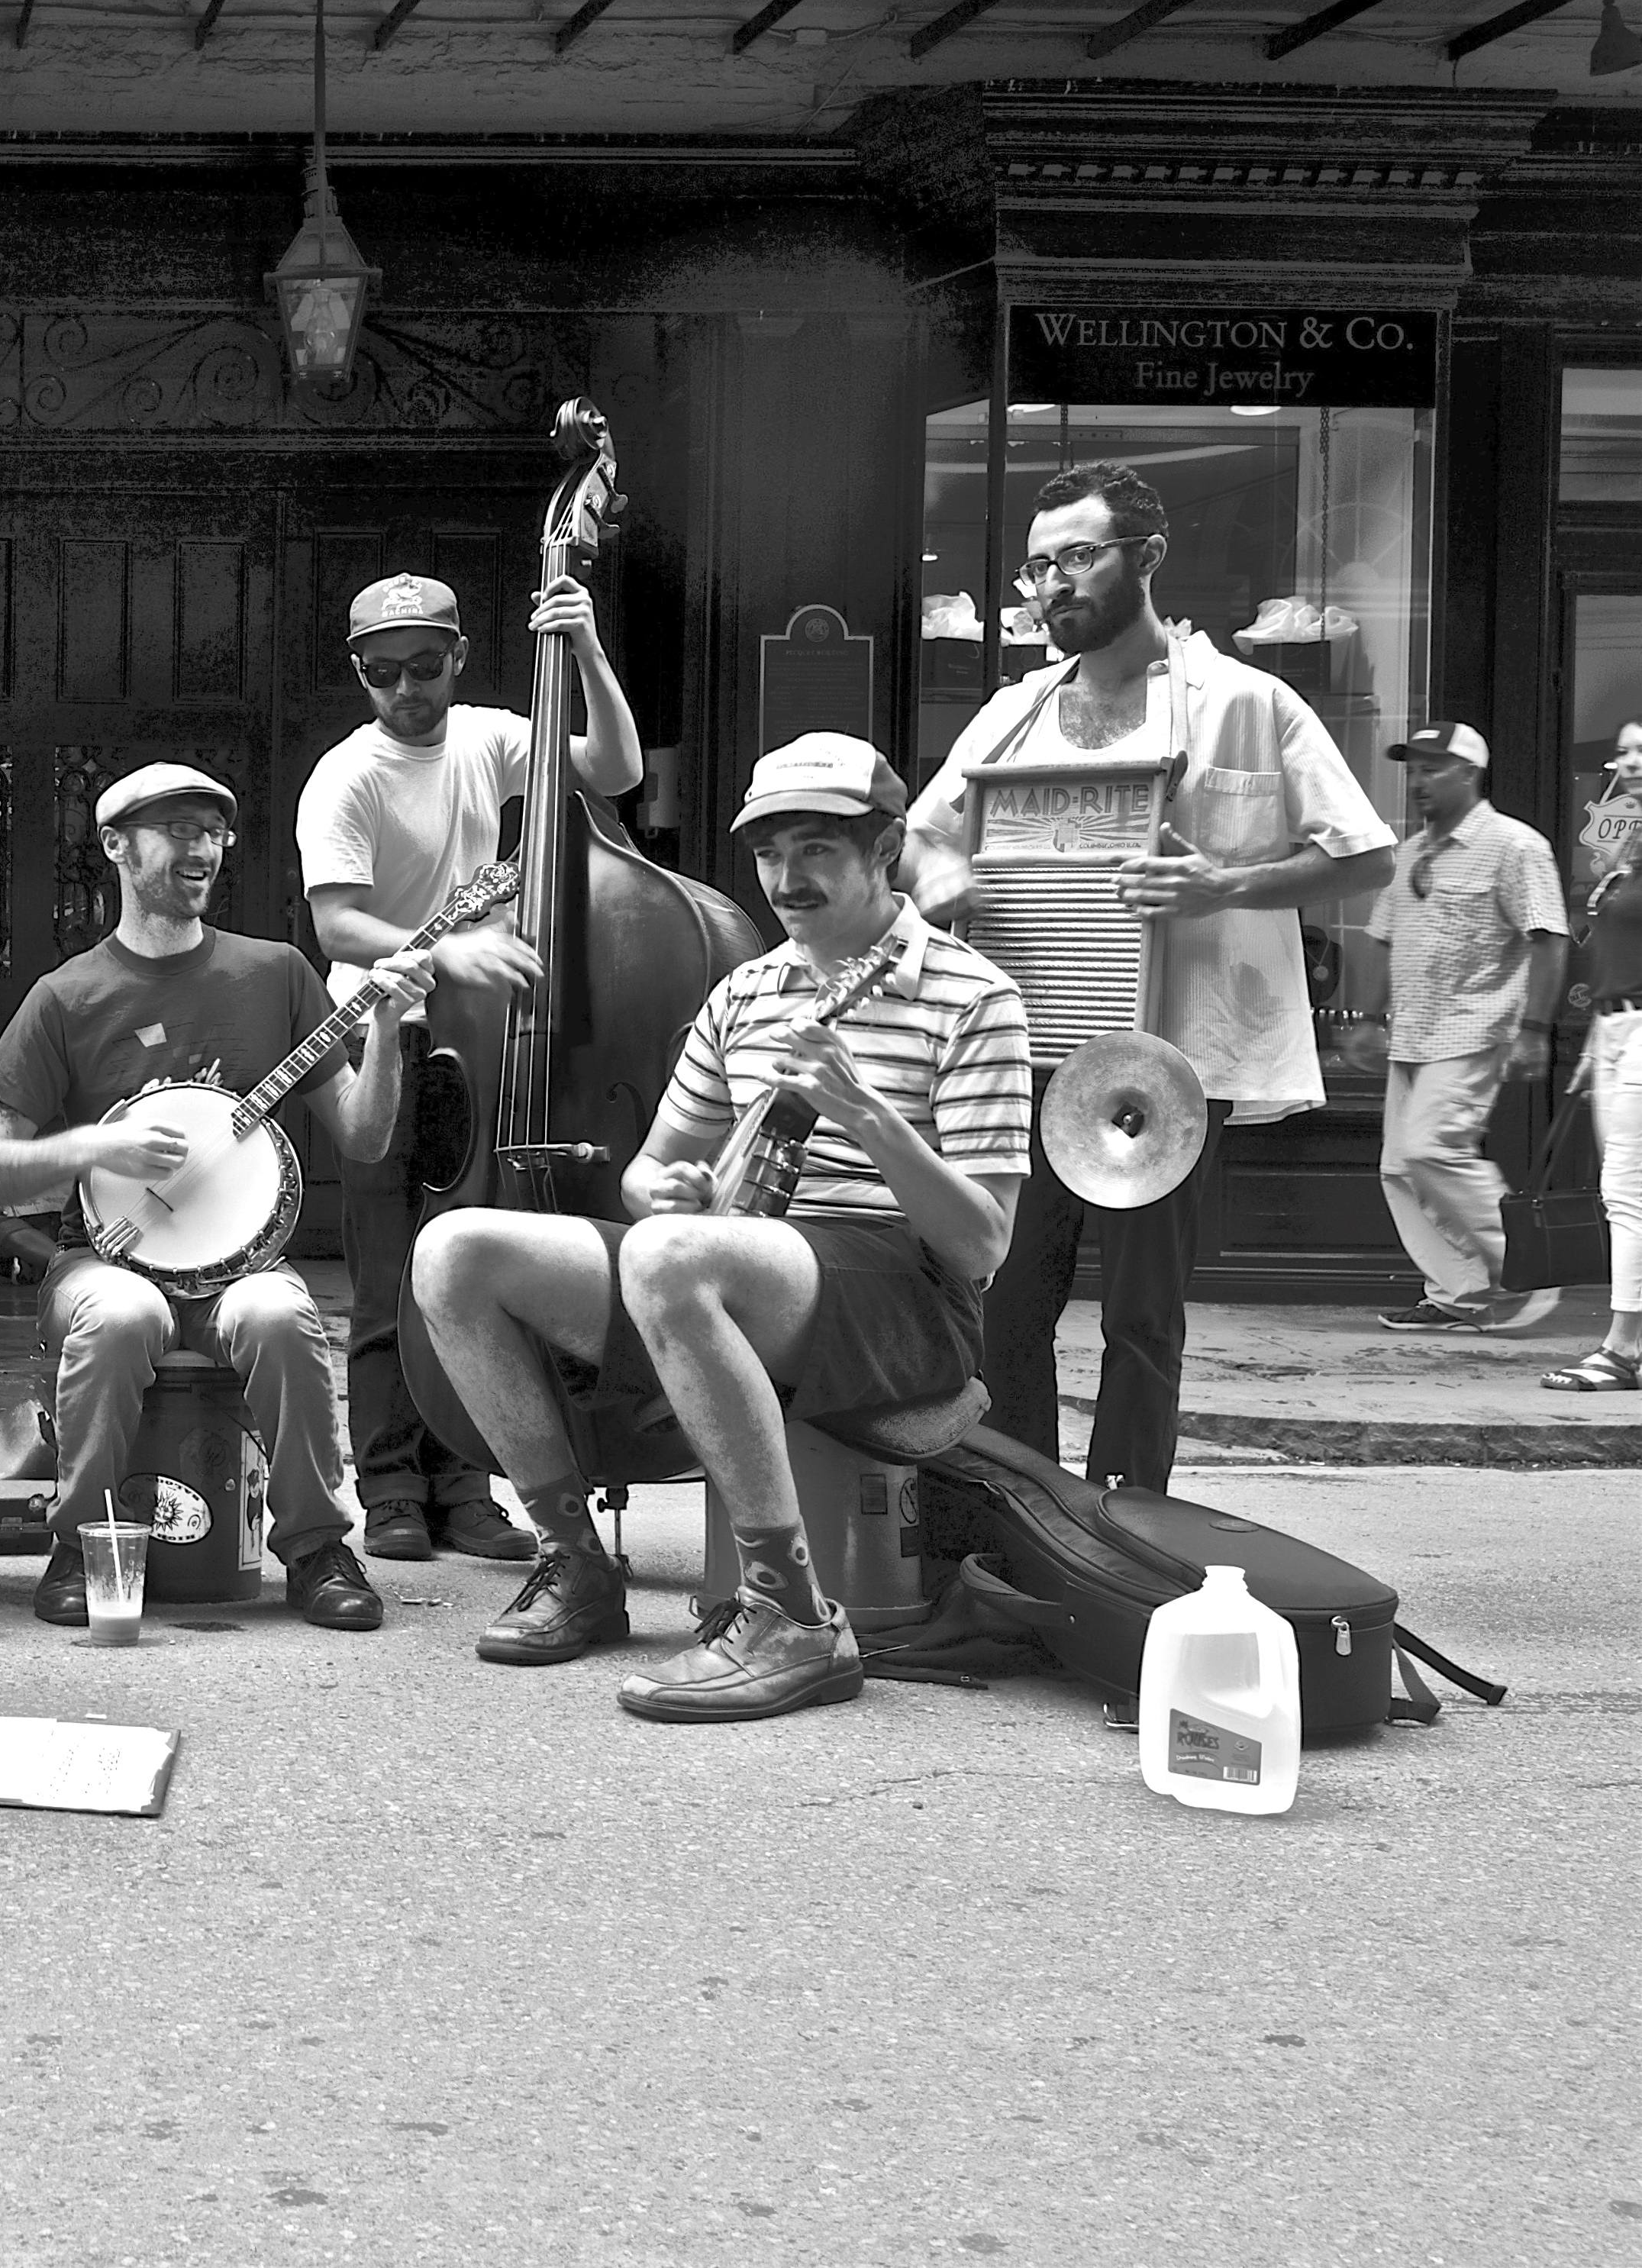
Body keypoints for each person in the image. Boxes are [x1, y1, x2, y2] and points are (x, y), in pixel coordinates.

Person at [411, 734, 1031, 1721]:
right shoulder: (740, 993)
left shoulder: (973, 996)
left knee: (671, 1257)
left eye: (817, 850)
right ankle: (572, 1560)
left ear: (884, 852)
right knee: (454, 1253)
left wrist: (865, 1112)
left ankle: (790, 1616)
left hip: (901, 1298)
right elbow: (650, 1172)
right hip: (737, 1257)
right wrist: (660, 1191)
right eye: (767, 853)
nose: (786, 878)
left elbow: (982, 1247)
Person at [907, 460, 1394, 1493]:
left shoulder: (1248, 703)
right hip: (1029, 1052)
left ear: (1147, 558)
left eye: (1075, 557)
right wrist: (943, 871)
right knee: (1003, 1304)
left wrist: (1225, 883)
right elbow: (917, 838)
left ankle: (1129, 1531)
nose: (1049, 584)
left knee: (1139, 1318)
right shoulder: (1011, 714)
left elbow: (1366, 855)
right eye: (1036, 566)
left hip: (1166, 1060)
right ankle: (1019, 1515)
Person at [0, 761, 441, 1634]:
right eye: (175, 829)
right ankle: (82, 1544)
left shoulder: (276, 973)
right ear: (115, 846)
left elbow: (364, 1138)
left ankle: (314, 1547)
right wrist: (100, 1145)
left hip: (243, 1261)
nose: (201, 849)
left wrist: (383, 1030)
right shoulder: (64, 997)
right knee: (114, 1318)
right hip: (103, 1258)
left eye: (212, 832)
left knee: (278, 1318)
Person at [298, 569, 647, 1566]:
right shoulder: (346, 775)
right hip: (377, 1036)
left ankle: (465, 1480)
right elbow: (334, 921)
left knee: (461, 1262)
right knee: (383, 1273)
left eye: (421, 665)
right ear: (358, 674)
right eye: (380, 672)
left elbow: (611, 770)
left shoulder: (493, 733)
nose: (403, 689)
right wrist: (437, 949)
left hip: (479, 1043)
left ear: (456, 657)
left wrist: (582, 648)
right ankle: (391, 1487)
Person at [1366, 720, 1567, 1333]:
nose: (1418, 782)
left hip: (1473, 1028)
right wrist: (1370, 1018)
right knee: (1401, 1167)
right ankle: (1460, 1294)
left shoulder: (1516, 846)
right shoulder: (1410, 853)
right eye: (1413, 771)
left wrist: (1535, 1029)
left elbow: (1550, 940)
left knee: (1432, 1148)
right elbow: (1386, 939)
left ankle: (1524, 1275)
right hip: (1412, 1033)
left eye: (1433, 770)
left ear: (1470, 774)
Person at [1546, 724, 1642, 1392]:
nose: (1621, 761)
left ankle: (1624, 1348)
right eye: (1622, 750)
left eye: (1638, 749)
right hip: (1615, 1031)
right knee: (1626, 1190)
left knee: (1626, 1192)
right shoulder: (1631, 845)